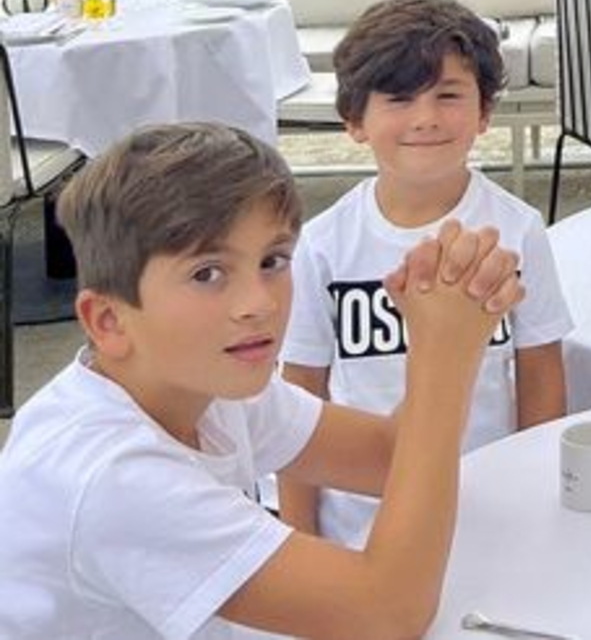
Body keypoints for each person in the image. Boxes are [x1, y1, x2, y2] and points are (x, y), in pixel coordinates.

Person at [0, 122, 525, 638]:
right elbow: (385, 615)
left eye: (273, 261)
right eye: (207, 273)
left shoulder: (203, 385)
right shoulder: (115, 476)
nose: (259, 303)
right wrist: (443, 356)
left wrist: (460, 315)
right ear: (108, 322)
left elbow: (387, 458)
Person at [280, 0, 571, 547]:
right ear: (354, 120)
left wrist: (538, 504)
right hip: (359, 523)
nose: (426, 118)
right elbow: (301, 402)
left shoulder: (517, 230)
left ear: (484, 112)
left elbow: (541, 378)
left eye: (448, 95)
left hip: (488, 514)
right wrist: (301, 535)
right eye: (398, 98)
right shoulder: (321, 246)